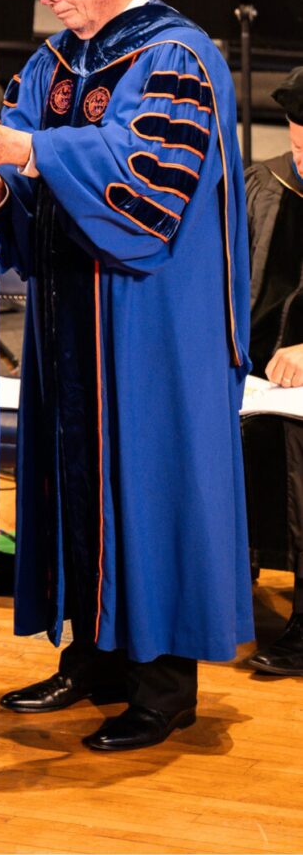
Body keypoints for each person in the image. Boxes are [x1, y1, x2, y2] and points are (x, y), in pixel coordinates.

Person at [0, 0, 254, 752]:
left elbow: (144, 181)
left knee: (148, 487)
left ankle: (160, 690)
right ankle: (89, 657)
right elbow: (15, 153)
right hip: (66, 313)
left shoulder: (176, 58)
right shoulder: (50, 66)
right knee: (68, 481)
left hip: (149, 322)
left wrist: (31, 154)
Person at [243, 66, 303, 676]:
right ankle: (229, 593)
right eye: (294, 123)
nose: (301, 139)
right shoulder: (262, 184)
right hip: (254, 380)